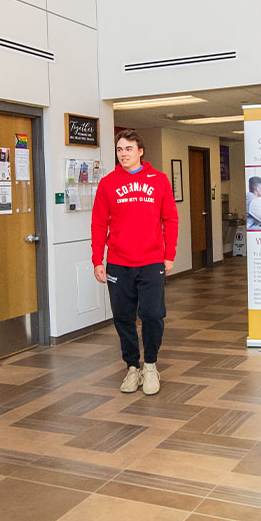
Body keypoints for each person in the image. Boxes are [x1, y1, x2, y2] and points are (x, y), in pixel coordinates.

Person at [92, 130, 178, 395]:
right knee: (123, 318)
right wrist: (98, 259)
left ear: (140, 151)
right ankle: (132, 367)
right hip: (118, 262)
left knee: (153, 315)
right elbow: (98, 223)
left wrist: (169, 254)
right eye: (119, 149)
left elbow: (170, 219)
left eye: (129, 149)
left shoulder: (159, 181)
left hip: (152, 261)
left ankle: (150, 365)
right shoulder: (108, 183)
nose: (124, 154)